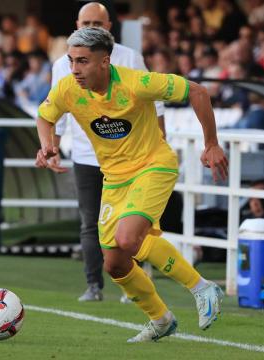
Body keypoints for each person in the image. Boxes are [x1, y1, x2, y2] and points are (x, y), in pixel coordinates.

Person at [36, 27, 228, 342]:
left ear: (104, 61)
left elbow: (198, 92)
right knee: (114, 263)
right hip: (114, 177)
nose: (74, 70)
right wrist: (47, 145)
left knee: (128, 238)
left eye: (82, 62)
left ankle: (203, 288)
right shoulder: (68, 88)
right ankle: (161, 319)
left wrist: (211, 144)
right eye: (71, 61)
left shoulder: (136, 82)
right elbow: (45, 117)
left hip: (153, 166)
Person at [49, 2, 168, 303]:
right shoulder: (63, 64)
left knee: (133, 221)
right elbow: (55, 112)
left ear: (109, 26)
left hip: (132, 157)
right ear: (76, 24)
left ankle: (134, 284)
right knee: (91, 222)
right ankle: (93, 285)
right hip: (87, 155)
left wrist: (160, 139)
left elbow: (155, 102)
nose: (91, 28)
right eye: (86, 22)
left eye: (98, 24)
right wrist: (51, 146)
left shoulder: (129, 57)